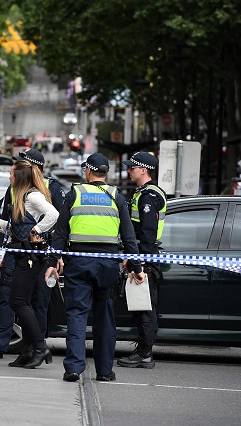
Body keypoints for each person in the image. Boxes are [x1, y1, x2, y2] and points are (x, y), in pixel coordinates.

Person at [45, 152, 145, 382]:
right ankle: (104, 371)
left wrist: (52, 263)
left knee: (77, 316)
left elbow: (60, 233)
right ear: (106, 173)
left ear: (88, 171)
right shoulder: (116, 196)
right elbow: (129, 237)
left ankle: (73, 368)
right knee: (105, 318)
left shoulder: (75, 194)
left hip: (79, 263)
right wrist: (137, 268)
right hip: (108, 265)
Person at [0, 148, 66, 360]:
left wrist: (55, 253)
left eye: (19, 166)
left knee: (35, 302)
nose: (12, 173)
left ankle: (34, 348)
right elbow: (13, 226)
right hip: (17, 253)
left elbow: (58, 220)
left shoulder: (46, 190)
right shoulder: (14, 190)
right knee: (9, 298)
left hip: (37, 254)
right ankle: (4, 346)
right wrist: (0, 249)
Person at [117, 152, 166, 369]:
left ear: (143, 170)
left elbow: (147, 233)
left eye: (132, 167)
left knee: (145, 307)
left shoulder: (149, 197)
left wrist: (141, 264)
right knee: (140, 305)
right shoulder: (142, 193)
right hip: (141, 254)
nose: (129, 170)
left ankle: (145, 354)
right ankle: (142, 350)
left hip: (146, 256)